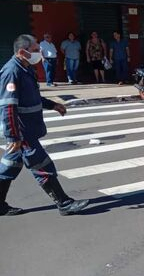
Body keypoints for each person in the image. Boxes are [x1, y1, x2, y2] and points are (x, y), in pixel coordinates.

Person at [0, 34, 90, 216]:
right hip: (22, 131)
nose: (39, 53)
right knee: (42, 165)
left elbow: (33, 97)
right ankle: (64, 203)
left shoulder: (26, 69)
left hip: (27, 129)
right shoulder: (12, 72)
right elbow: (8, 107)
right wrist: (13, 136)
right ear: (21, 52)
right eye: (34, 50)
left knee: (10, 166)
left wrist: (53, 105)